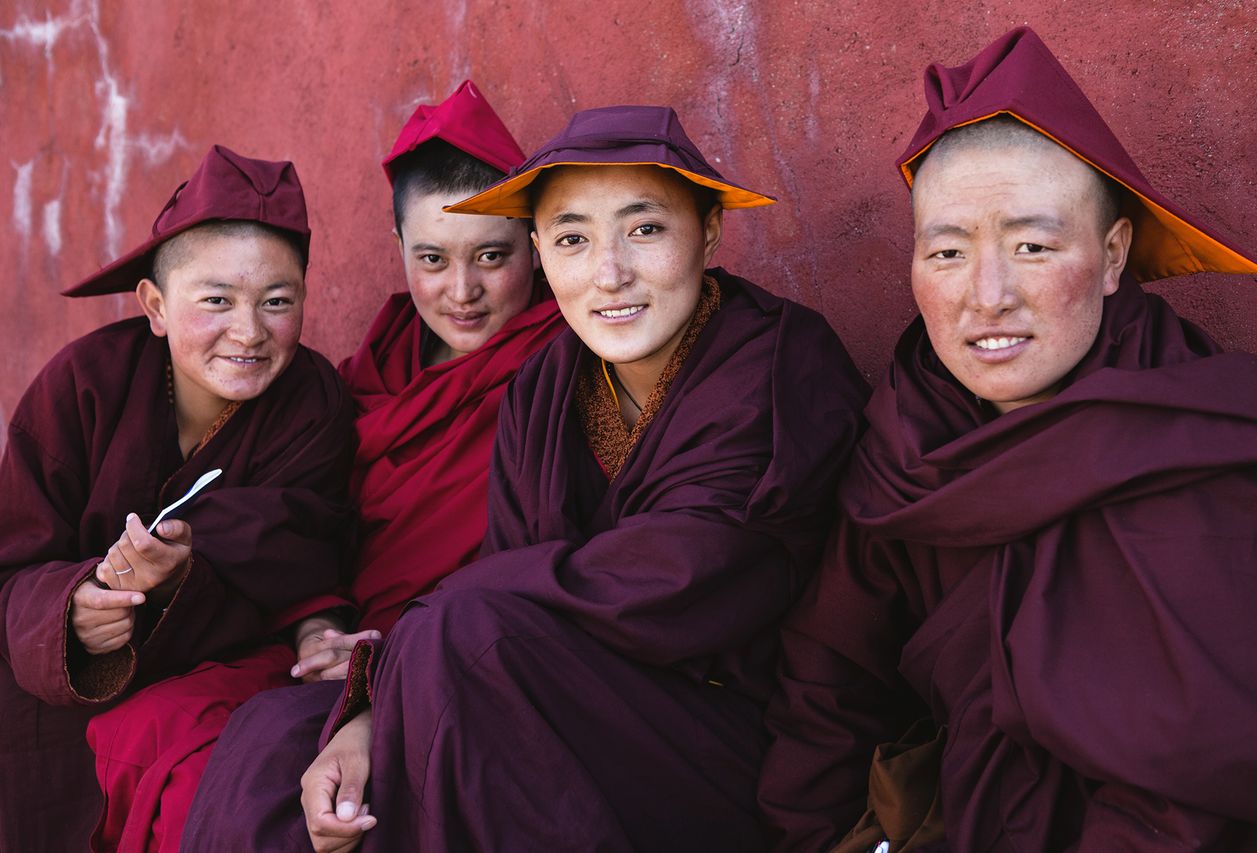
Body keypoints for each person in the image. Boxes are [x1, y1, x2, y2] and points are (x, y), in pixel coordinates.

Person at [184, 105, 870, 852]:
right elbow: (512, 582)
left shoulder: (774, 361)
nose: (609, 273)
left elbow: (683, 578)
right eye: (574, 239)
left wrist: (409, 651)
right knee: (273, 740)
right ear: (541, 251)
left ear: (707, 231)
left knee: (459, 643)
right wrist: (372, 709)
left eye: (644, 230)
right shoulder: (546, 384)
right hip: (570, 700)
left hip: (724, 734)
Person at [757, 26, 1257, 852]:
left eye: (1033, 247)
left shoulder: (1208, 453)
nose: (986, 296)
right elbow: (829, 682)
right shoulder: (905, 443)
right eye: (949, 252)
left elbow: (1200, 785)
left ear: (1113, 257)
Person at [86, 82, 565, 853]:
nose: (462, 290)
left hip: (449, 655)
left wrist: (384, 652)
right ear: (398, 245)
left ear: (535, 249)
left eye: (492, 257)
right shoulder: (370, 372)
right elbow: (318, 530)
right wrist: (324, 627)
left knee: (259, 779)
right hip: (338, 646)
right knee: (151, 725)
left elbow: (541, 554)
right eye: (432, 258)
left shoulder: (560, 370)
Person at [0, 145, 353, 851]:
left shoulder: (312, 400)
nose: (250, 332)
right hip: (57, 683)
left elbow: (304, 550)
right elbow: (15, 557)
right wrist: (75, 609)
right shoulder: (83, 385)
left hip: (210, 664)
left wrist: (178, 583)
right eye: (216, 300)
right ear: (155, 306)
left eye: (278, 301)